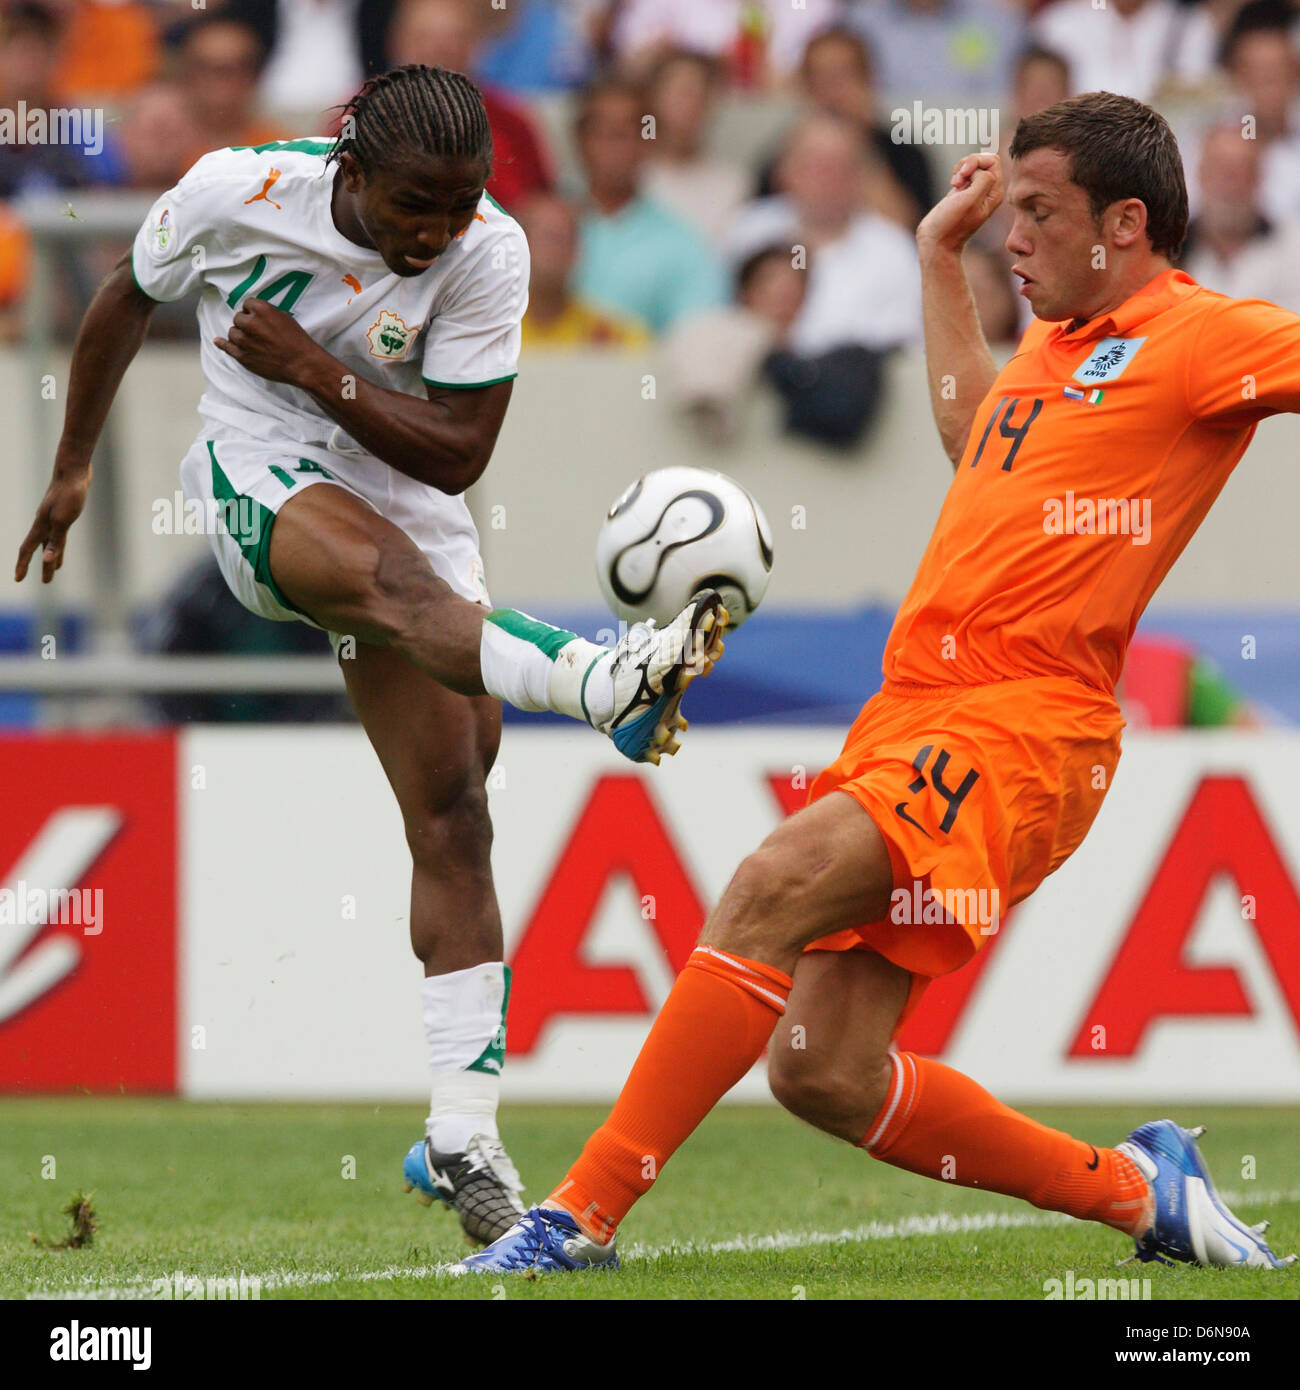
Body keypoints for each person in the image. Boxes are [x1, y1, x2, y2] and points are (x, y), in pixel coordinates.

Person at [458, 90, 1297, 1275]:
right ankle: (1140, 1192)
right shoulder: (1056, 347)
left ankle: (577, 1215)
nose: (1015, 233)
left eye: (1039, 213)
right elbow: (974, 437)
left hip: (1022, 723)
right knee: (821, 1071)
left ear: (1122, 222)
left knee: (769, 882)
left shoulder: (1201, 335)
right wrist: (935, 256)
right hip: (917, 709)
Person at [13, 63, 728, 1248]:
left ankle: (463, 1133)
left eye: (458, 205)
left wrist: (314, 363)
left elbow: (456, 455)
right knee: (389, 590)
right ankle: (606, 681)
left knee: (454, 808)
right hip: (257, 462)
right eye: (414, 206)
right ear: (353, 172)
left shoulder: (488, 252)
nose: (436, 231)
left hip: (401, 475)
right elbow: (122, 301)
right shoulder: (233, 190)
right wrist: (75, 462)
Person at [570, 77, 728, 335]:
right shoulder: (539, 230)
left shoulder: (684, 244)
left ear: (650, 143)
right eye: (602, 132)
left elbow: (697, 338)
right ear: (579, 140)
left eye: (626, 134)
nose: (613, 146)